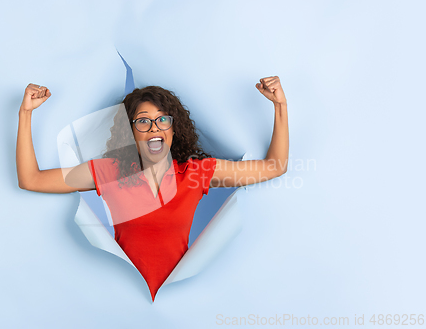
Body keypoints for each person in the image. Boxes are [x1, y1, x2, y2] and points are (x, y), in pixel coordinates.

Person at [16, 78, 289, 301]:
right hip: (120, 299)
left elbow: (273, 167)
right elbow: (31, 179)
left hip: (180, 301)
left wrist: (280, 106)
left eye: (162, 120)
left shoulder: (195, 172)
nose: (154, 128)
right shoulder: (109, 171)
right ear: (130, 131)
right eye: (143, 121)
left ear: (173, 128)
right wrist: (25, 113)